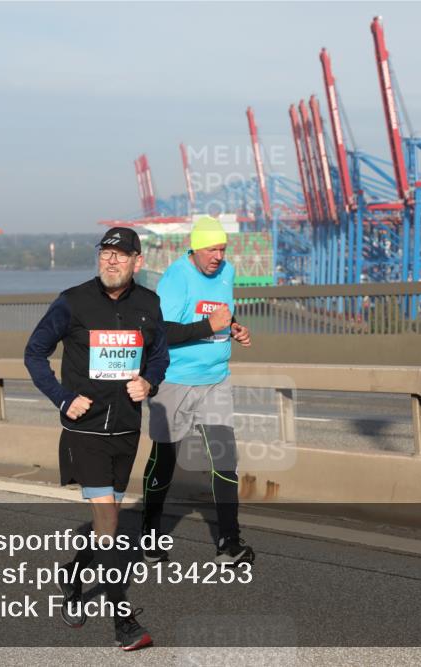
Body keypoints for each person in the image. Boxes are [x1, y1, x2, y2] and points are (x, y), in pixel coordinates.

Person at [24, 227, 168, 651]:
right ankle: (123, 622)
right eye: (105, 253)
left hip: (126, 429)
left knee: (110, 523)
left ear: (137, 263)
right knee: (107, 521)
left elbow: (158, 353)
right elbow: (34, 353)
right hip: (84, 432)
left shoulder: (149, 304)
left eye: (121, 255)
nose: (111, 260)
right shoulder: (72, 302)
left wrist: (150, 382)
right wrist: (63, 398)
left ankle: (72, 573)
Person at [141, 215, 255, 566]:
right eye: (211, 250)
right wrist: (210, 325)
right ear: (195, 248)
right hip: (175, 381)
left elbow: (221, 315)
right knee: (165, 459)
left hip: (216, 379)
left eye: (222, 249)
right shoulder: (177, 277)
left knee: (224, 459)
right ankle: (150, 536)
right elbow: (160, 332)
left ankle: (229, 542)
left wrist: (233, 328)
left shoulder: (228, 272)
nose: (218, 256)